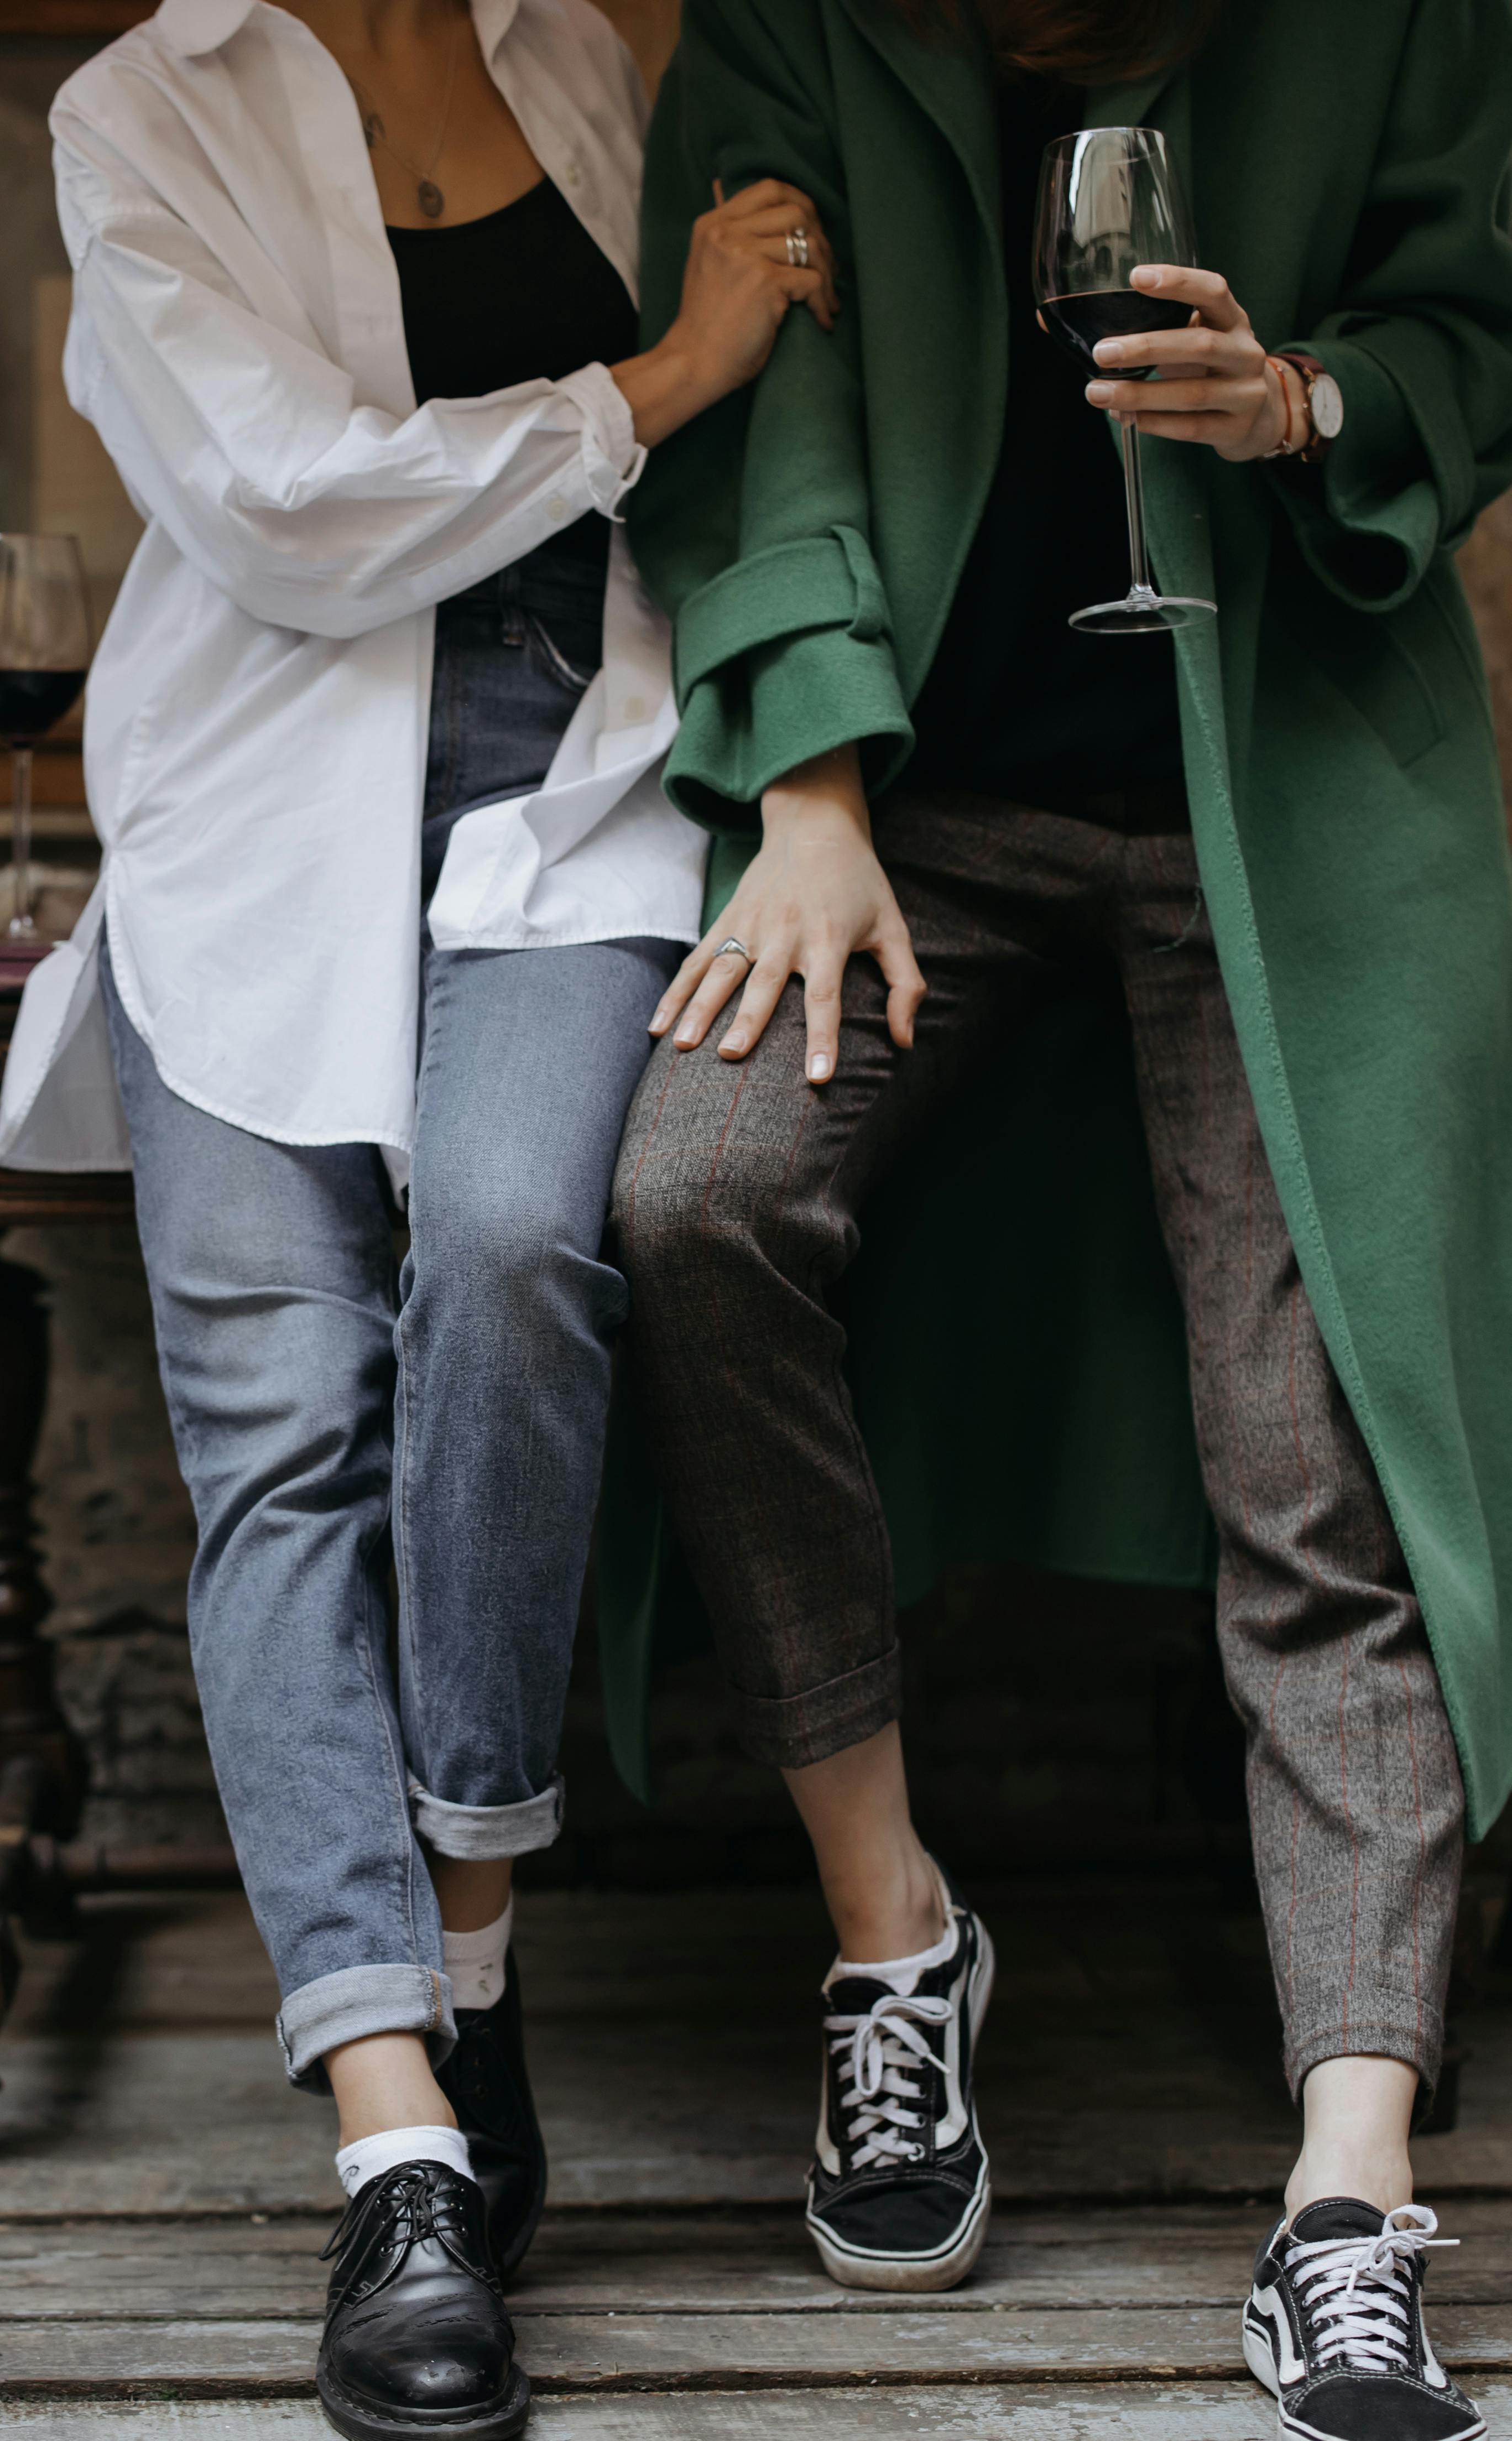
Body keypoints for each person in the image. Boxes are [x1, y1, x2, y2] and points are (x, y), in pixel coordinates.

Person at [610, 1, 1512, 2434]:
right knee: (692, 1198)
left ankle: (1350, 2188)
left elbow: (1473, 311)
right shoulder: (792, 18)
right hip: (905, 803)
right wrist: (804, 774)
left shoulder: (1399, 13)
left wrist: (1310, 405)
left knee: (1324, 1439)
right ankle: (896, 1949)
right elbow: (757, 396)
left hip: (1288, 795)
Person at [0, 1, 834, 2433]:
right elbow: (279, 506)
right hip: (250, 835)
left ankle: (466, 1949)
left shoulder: (587, 58)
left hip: (574, 823)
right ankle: (393, 2144)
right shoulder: (141, 107)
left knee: (505, 1250)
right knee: (277, 1438)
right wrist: (657, 371)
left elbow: (733, 472)